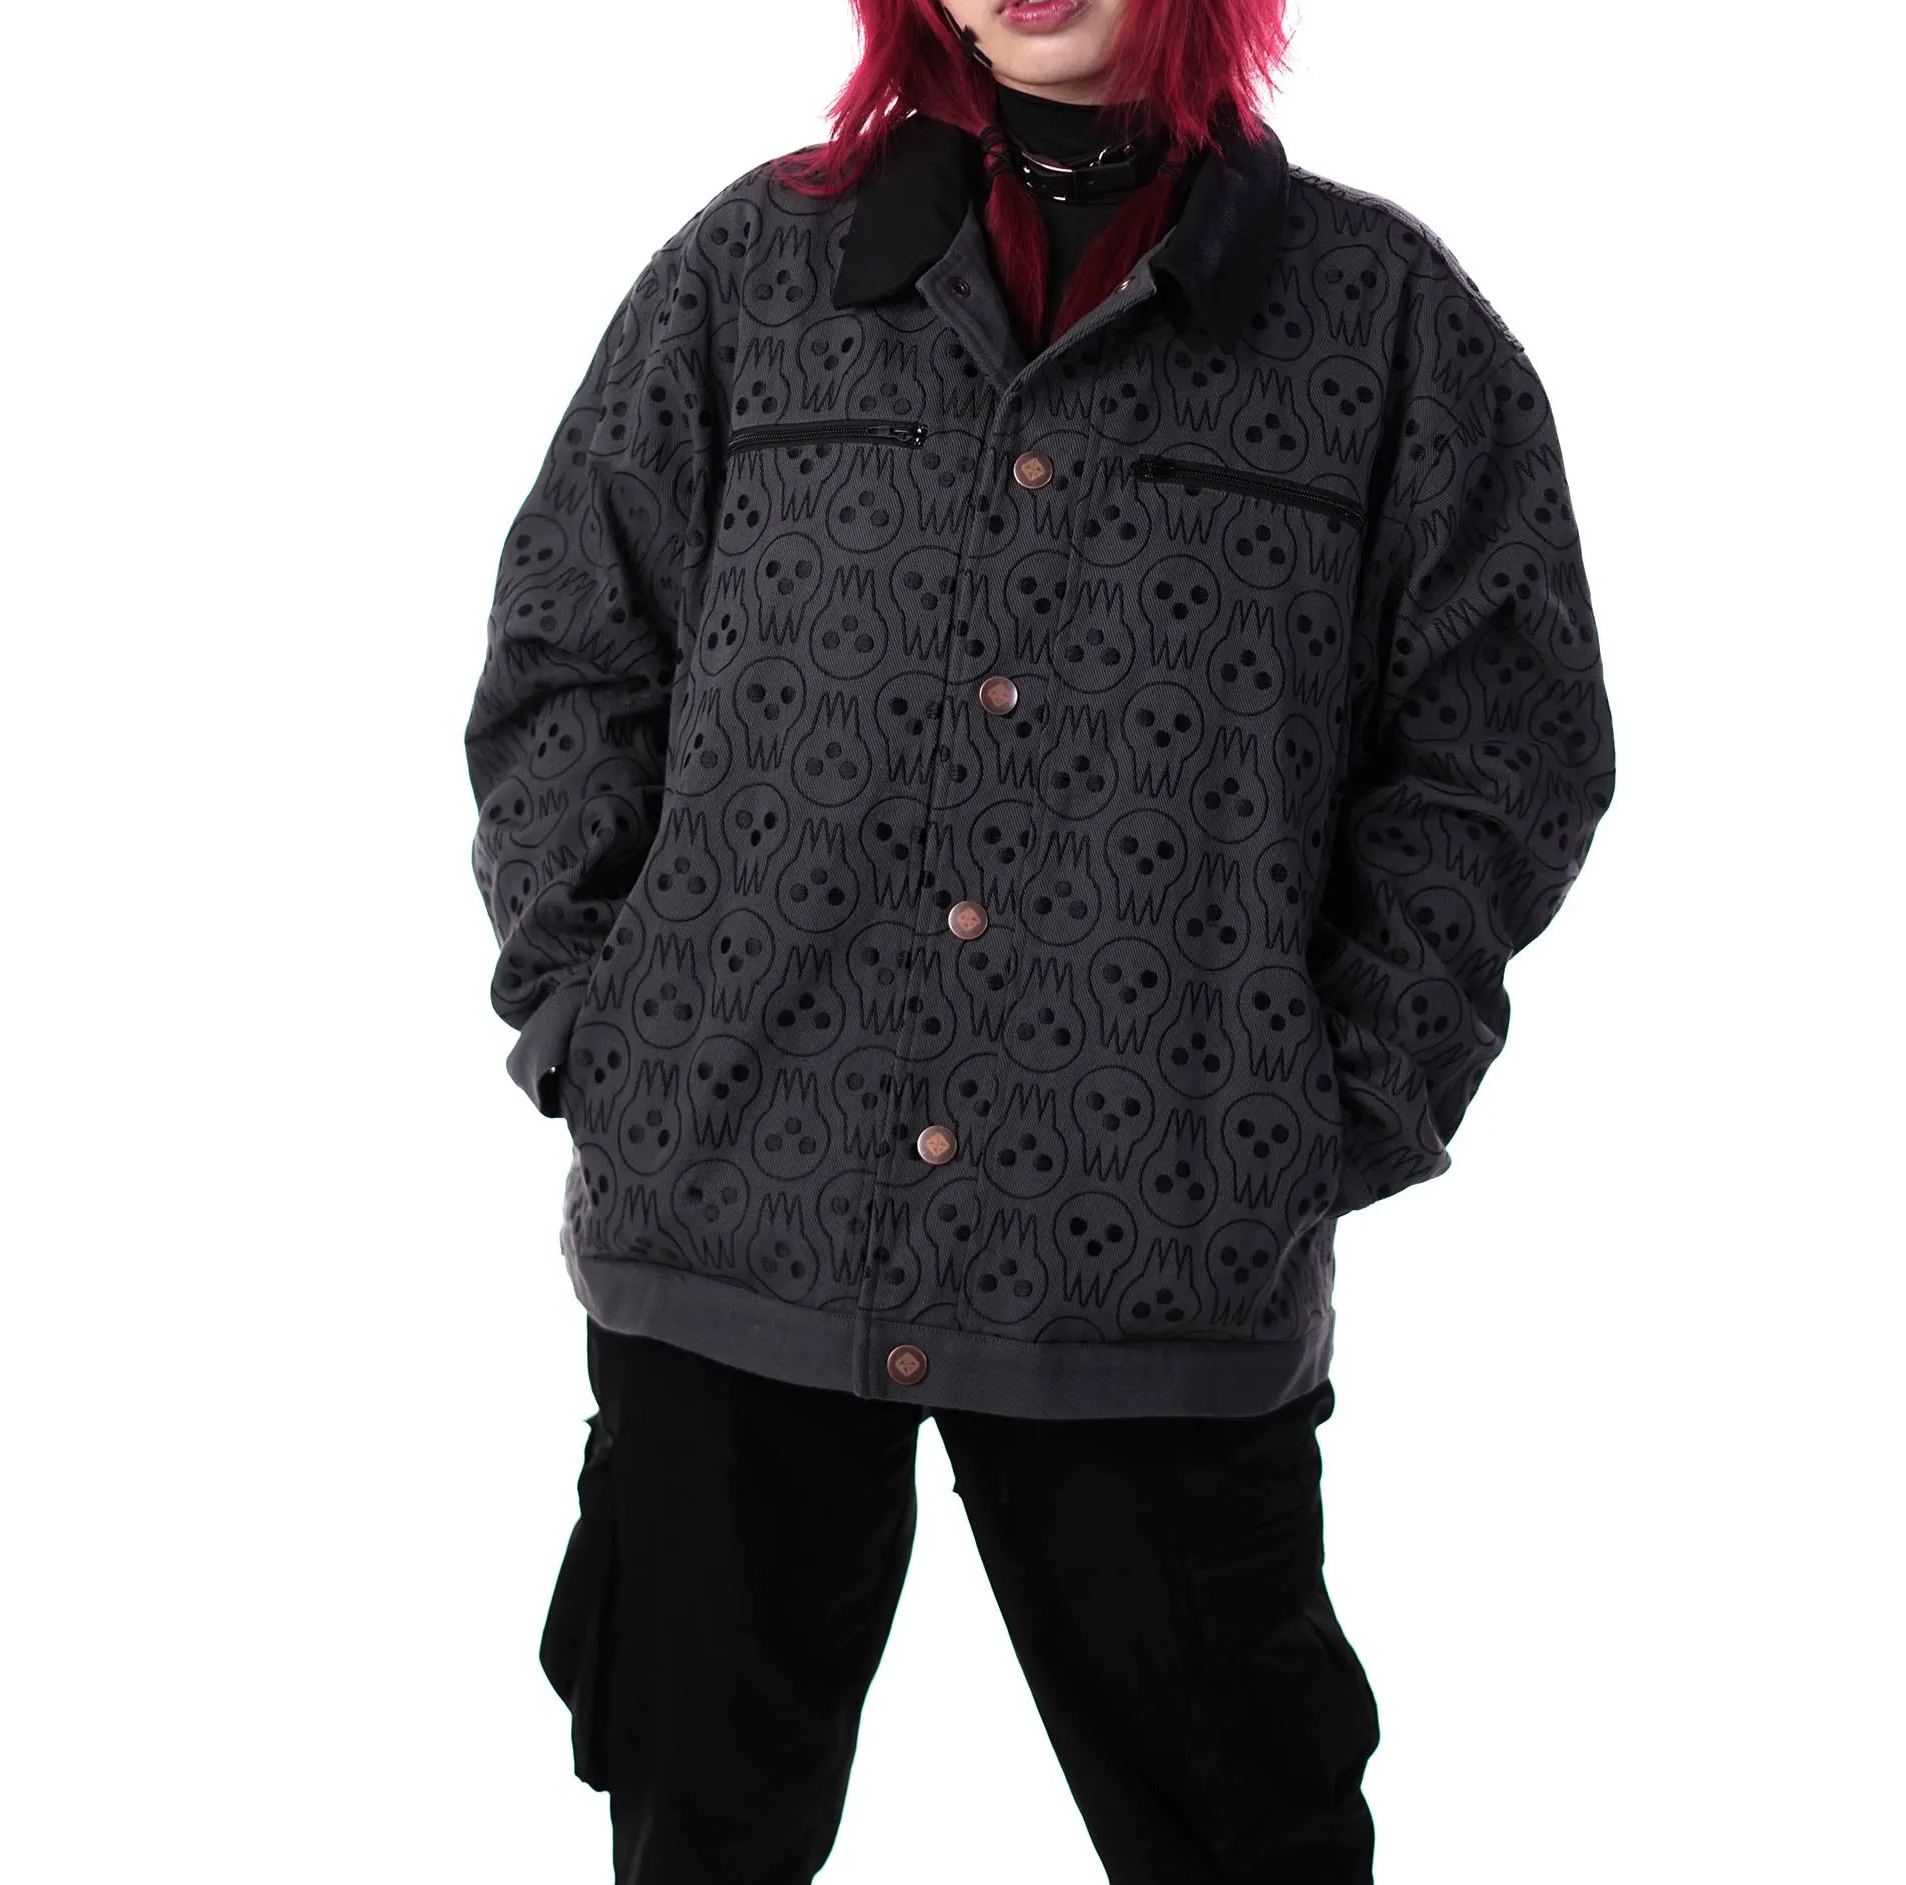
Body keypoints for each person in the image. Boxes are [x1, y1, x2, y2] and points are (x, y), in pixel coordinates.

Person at [461, 0, 1618, 1877]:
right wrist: (604, 1026)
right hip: (732, 1220)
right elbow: (569, 648)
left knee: (1248, 1830)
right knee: (696, 1830)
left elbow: (1506, 735)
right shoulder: (753, 275)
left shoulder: (1378, 323)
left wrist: (1321, 1099)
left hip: (1150, 1257)